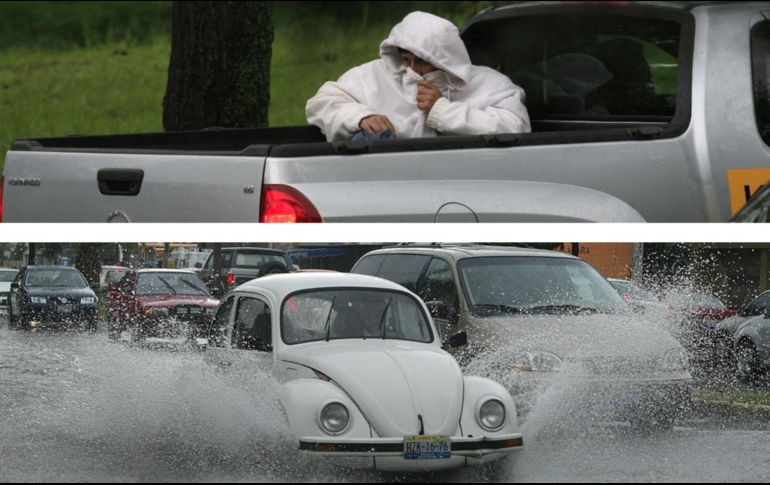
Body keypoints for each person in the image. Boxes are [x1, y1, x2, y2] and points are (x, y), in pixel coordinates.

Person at [306, 11, 531, 142]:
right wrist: (361, 117)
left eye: (421, 61)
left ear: (446, 60)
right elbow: (322, 103)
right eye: (406, 59)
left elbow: (516, 129)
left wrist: (442, 110)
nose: (412, 68)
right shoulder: (375, 75)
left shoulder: (490, 84)